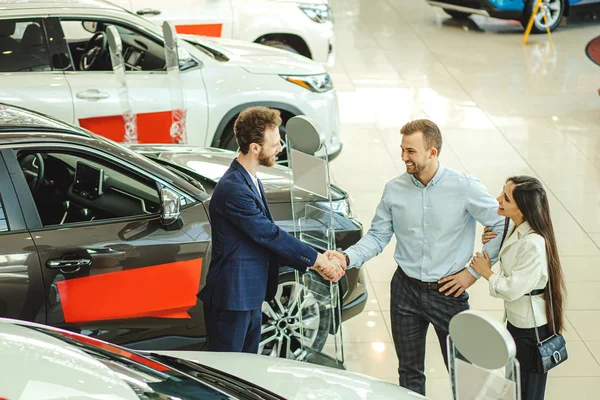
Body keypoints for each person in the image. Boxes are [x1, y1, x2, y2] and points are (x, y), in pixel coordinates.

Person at [327, 119, 505, 396]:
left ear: (432, 152)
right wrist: (346, 258)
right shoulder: (394, 190)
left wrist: (472, 273)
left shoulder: (464, 187)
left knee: (465, 373)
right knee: (409, 371)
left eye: (411, 151)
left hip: (448, 293)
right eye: (402, 150)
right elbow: (377, 236)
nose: (404, 157)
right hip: (405, 290)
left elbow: (502, 223)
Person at [198, 106, 343, 354]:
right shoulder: (234, 188)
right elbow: (268, 234)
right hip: (233, 297)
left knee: (249, 369)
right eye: (275, 144)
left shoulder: (250, 178)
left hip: (249, 294)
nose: (280, 148)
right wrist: (318, 260)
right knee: (230, 374)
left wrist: (315, 257)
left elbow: (266, 238)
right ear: (255, 148)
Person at [471, 176, 566, 400]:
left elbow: (512, 288)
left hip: (530, 331)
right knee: (515, 387)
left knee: (527, 392)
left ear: (523, 208)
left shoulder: (534, 244)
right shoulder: (517, 227)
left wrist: (486, 272)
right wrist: (491, 238)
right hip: (517, 323)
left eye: (506, 198)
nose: (498, 199)